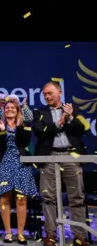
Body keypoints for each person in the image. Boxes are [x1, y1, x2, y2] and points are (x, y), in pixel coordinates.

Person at [32, 82, 90, 246]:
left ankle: (80, 236)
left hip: (71, 156)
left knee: (76, 197)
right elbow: (40, 132)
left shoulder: (73, 110)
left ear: (60, 92)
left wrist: (70, 118)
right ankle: (50, 235)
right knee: (48, 197)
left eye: (50, 93)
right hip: (49, 157)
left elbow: (82, 129)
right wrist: (60, 122)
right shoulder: (39, 112)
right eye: (44, 94)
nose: (47, 96)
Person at [0, 101, 37, 244]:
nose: (9, 109)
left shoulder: (24, 125)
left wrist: (19, 127)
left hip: (21, 163)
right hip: (4, 163)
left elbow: (24, 143)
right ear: (3, 111)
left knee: (21, 198)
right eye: (7, 108)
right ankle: (8, 232)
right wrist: (2, 131)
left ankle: (21, 233)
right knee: (5, 197)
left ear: (17, 110)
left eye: (13, 108)